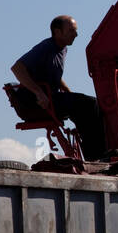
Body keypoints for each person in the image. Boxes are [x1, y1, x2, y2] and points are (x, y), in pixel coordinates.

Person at [11, 15, 109, 159]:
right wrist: (38, 93)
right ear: (57, 32)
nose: (76, 34)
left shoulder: (62, 49)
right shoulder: (46, 47)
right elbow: (17, 68)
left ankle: (98, 153)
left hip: (51, 98)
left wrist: (69, 93)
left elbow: (53, 75)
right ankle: (96, 155)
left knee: (91, 106)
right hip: (34, 102)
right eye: (71, 31)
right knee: (90, 104)